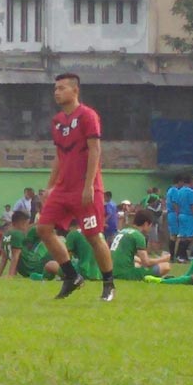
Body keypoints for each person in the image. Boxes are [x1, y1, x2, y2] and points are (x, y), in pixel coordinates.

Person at [36, 73, 116, 300]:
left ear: (75, 91)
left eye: (61, 88)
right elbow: (60, 156)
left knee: (93, 235)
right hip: (63, 189)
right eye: (55, 89)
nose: (57, 92)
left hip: (85, 188)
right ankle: (72, 276)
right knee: (43, 228)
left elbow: (95, 150)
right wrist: (50, 186)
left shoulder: (88, 116)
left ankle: (109, 284)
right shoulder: (57, 121)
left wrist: (89, 185)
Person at [111, 210, 172, 281]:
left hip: (112, 271)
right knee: (166, 266)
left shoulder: (123, 231)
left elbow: (123, 253)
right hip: (125, 273)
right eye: (150, 225)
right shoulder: (138, 236)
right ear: (146, 224)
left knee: (138, 264)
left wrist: (140, 260)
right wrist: (163, 259)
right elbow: (146, 262)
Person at [174, 178, 193, 262]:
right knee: (190, 237)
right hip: (188, 216)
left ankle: (181, 256)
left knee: (183, 237)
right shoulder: (190, 192)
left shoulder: (179, 191)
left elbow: (175, 204)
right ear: (191, 182)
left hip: (181, 215)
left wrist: (177, 215)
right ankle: (180, 255)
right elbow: (192, 206)